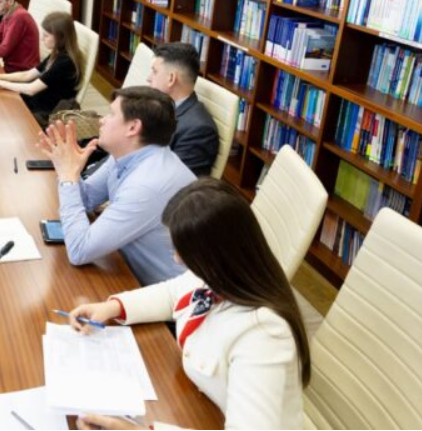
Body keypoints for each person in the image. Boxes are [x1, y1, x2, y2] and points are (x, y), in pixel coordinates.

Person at [67, 179, 311, 430]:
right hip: (203, 405)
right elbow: (173, 293)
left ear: (214, 255)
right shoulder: (221, 273)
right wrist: (113, 307)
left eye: (183, 251)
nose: (177, 259)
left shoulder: (263, 334)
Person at [36, 86, 195, 286]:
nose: (102, 119)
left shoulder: (147, 186)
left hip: (160, 292)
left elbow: (79, 251)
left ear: (133, 128)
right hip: (125, 266)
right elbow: (86, 200)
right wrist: (70, 169)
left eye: (111, 114)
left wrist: (68, 177)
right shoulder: (128, 154)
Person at [0, 12, 81, 123]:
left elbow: (31, 89)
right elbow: (27, 75)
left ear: (61, 37)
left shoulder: (65, 62)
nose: (42, 39)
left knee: (0, 110)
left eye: (46, 35)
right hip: (38, 100)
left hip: (46, 112)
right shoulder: (57, 53)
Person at [147, 42, 220, 177]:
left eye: (155, 72)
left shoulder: (199, 131)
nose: (148, 78)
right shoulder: (159, 104)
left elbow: (176, 183)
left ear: (171, 79)